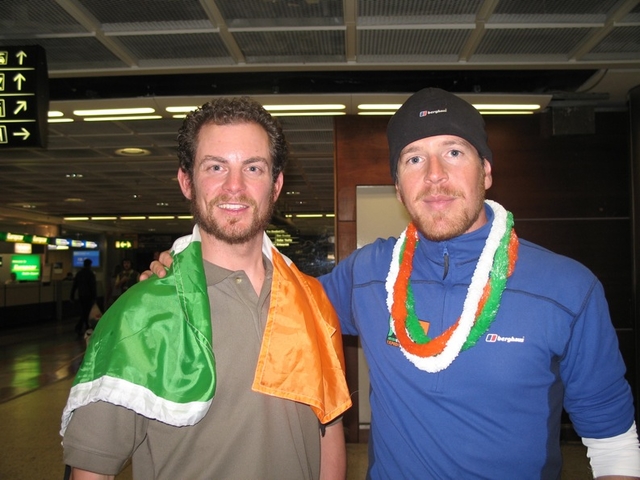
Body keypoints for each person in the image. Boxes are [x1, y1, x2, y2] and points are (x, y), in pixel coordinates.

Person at [148, 88, 640, 479]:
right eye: (413, 159)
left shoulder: (567, 289)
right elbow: (282, 300)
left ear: (486, 170)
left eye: (454, 152)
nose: (435, 176)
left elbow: (613, 443)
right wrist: (184, 270)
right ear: (398, 186)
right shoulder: (368, 274)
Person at [60, 96, 351, 480]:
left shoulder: (311, 301)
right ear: (186, 181)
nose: (235, 186)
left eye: (253, 167)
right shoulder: (142, 315)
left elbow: (328, 431)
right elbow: (92, 469)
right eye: (216, 166)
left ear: (276, 184)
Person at [70, 258, 97, 338]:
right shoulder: (90, 274)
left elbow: (75, 285)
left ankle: (82, 327)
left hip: (81, 295)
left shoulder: (79, 273)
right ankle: (82, 327)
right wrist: (94, 297)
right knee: (86, 312)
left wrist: (72, 295)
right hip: (89, 296)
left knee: (84, 312)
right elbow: (93, 287)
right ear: (90, 265)